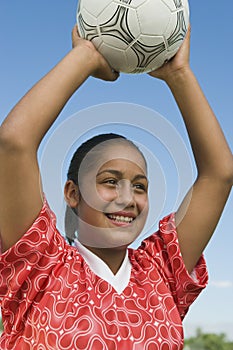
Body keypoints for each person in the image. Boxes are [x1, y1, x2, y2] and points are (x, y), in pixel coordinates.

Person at [0, 23, 232, 349]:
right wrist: (85, 57)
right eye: (110, 182)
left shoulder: (162, 273)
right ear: (72, 193)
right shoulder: (40, 266)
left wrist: (179, 74)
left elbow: (219, 174)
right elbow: (13, 143)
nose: (128, 198)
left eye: (140, 187)